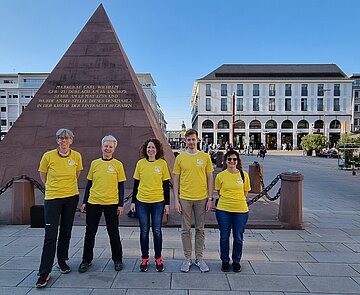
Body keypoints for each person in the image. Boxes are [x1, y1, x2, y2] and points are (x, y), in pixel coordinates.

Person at [36, 128, 83, 288]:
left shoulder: (76, 156)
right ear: (57, 140)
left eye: (67, 138)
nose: (64, 141)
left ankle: (62, 260)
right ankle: (44, 272)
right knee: (50, 235)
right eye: (61, 138)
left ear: (71, 140)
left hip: (71, 197)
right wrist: (53, 188)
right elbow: (43, 176)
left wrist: (66, 188)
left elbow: (77, 174)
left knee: (66, 231)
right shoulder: (48, 156)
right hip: (53, 199)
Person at [78, 135, 126, 273]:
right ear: (102, 147)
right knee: (90, 232)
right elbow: (89, 184)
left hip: (111, 203)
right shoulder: (94, 163)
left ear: (114, 149)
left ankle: (117, 260)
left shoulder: (118, 164)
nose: (108, 149)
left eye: (111, 146)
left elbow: (121, 186)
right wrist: (84, 202)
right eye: (106, 146)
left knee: (113, 232)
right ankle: (86, 260)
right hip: (94, 202)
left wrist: (120, 204)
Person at [173, 129, 214, 272]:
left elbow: (210, 178)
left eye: (193, 139)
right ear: (185, 141)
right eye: (188, 139)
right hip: (185, 198)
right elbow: (176, 179)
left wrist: (210, 198)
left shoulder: (205, 157)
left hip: (202, 198)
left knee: (200, 229)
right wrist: (176, 200)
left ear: (198, 140)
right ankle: (187, 259)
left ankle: (199, 258)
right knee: (185, 230)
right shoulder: (180, 158)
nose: (191, 142)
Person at [130, 138, 171, 272]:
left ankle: (158, 258)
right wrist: (133, 202)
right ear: (145, 149)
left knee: (157, 231)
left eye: (153, 148)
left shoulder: (162, 164)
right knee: (144, 231)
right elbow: (136, 184)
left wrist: (167, 204)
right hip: (142, 201)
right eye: (148, 148)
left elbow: (166, 186)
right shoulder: (140, 164)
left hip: (158, 202)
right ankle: (144, 258)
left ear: (157, 149)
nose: (151, 150)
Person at [215, 150, 251, 272]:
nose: (232, 161)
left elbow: (246, 191)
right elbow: (219, 192)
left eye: (234, 159)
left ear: (238, 161)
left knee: (238, 237)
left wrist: (238, 200)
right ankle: (225, 260)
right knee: (224, 236)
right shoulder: (220, 176)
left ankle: (236, 261)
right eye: (229, 159)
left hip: (240, 210)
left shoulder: (243, 175)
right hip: (223, 209)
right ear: (226, 161)